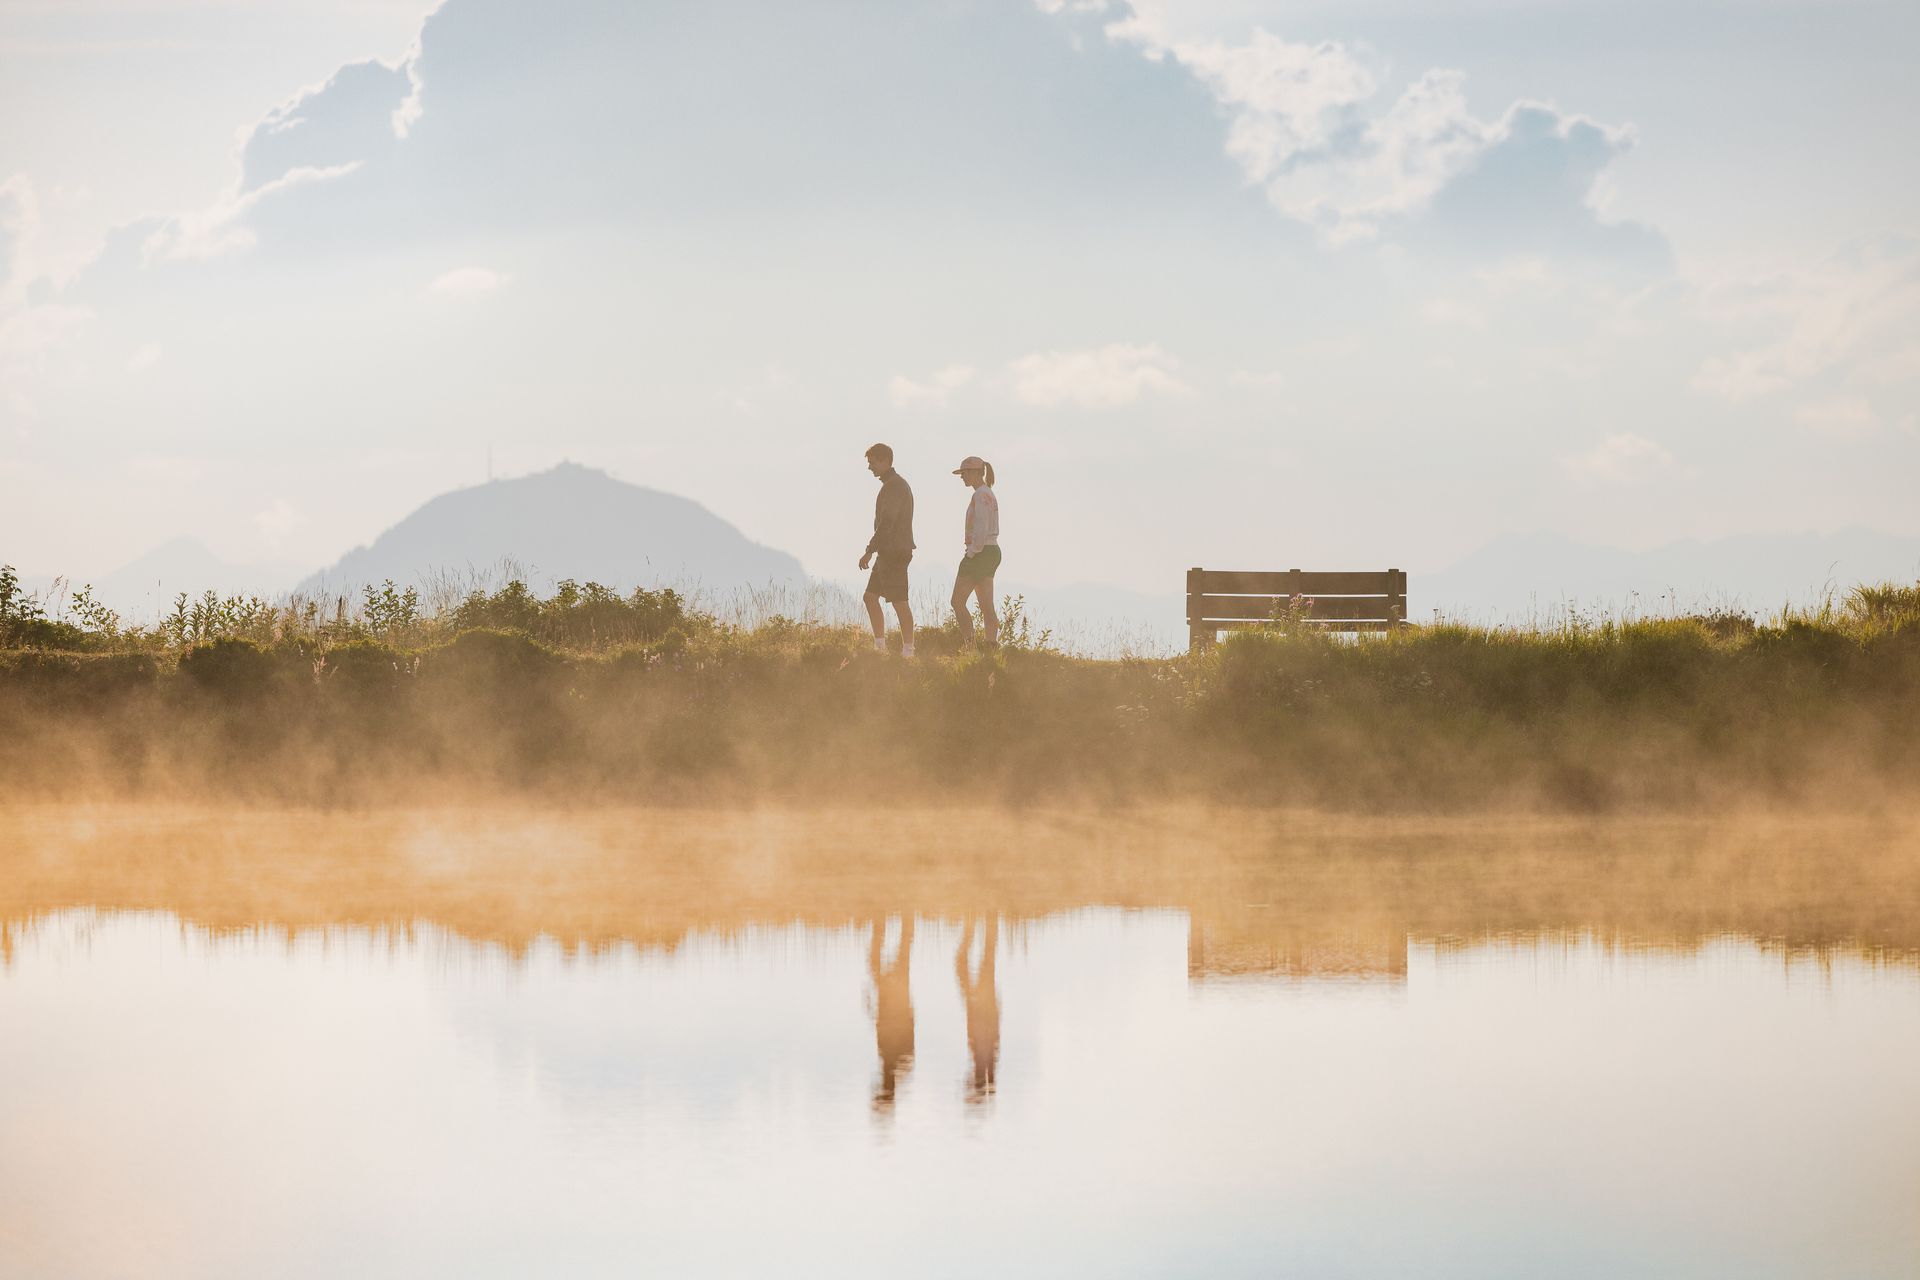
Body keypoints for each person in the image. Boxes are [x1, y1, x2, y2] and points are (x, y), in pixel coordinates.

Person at [859, 443, 915, 657]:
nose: (870, 467)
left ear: (884, 461)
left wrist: (869, 550)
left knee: (899, 601)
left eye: (872, 463)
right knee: (870, 597)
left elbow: (887, 522)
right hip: (888, 551)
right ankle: (880, 647)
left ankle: (908, 650)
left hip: (894, 551)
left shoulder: (894, 486)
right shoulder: (893, 484)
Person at [949, 455, 999, 649]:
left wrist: (972, 552)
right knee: (986, 604)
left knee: (957, 601)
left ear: (973, 472)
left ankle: (970, 645)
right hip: (991, 551)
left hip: (980, 552)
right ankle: (990, 645)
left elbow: (981, 526)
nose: (962, 477)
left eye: (964, 473)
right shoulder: (988, 493)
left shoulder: (980, 495)